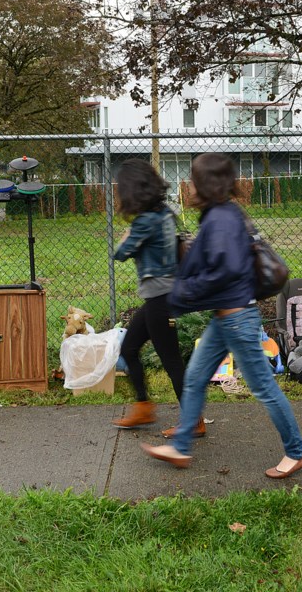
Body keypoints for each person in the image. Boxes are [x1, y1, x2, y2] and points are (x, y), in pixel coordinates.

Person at [139, 153, 302, 479]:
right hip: (225, 318)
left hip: (237, 319)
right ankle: (181, 447)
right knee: (194, 378)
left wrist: (184, 292)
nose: (188, 185)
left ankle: (297, 451)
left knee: (264, 388)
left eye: (193, 178)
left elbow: (227, 270)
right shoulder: (222, 213)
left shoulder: (220, 218)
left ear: (205, 182)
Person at [110, 159, 194, 434]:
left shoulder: (146, 221)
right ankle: (143, 408)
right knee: (129, 348)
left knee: (171, 362)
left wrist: (126, 234)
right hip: (159, 297)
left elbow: (120, 253)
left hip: (161, 298)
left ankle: (193, 422)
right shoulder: (166, 213)